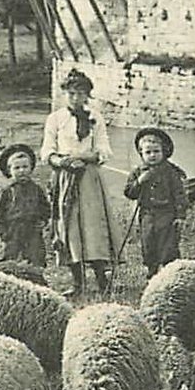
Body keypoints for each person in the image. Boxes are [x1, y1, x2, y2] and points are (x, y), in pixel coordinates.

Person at [40, 68, 120, 298]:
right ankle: (78, 283)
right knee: (69, 227)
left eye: (81, 93)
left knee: (94, 226)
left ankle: (102, 280)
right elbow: (47, 151)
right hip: (65, 177)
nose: (76, 98)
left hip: (89, 177)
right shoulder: (55, 119)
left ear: (88, 95)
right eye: (71, 93)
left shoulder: (96, 118)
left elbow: (104, 149)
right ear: (65, 94)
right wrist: (62, 161)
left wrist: (86, 157)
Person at [123, 127, 189, 279]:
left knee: (168, 246)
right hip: (147, 215)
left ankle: (170, 273)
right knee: (148, 244)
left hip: (167, 214)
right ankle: (152, 272)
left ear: (164, 151)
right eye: (148, 152)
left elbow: (180, 195)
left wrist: (180, 215)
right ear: (141, 154)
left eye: (156, 151)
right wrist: (139, 182)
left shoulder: (171, 172)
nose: (152, 155)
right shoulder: (138, 172)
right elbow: (129, 193)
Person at [0, 143, 51, 267]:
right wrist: (3, 233)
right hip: (13, 230)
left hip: (32, 230)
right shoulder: (6, 190)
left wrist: (43, 221)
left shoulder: (36, 189)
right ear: (10, 170)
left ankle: (35, 275)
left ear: (31, 168)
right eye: (17, 168)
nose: (22, 171)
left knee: (36, 257)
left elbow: (45, 208)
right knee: (10, 259)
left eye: (25, 167)